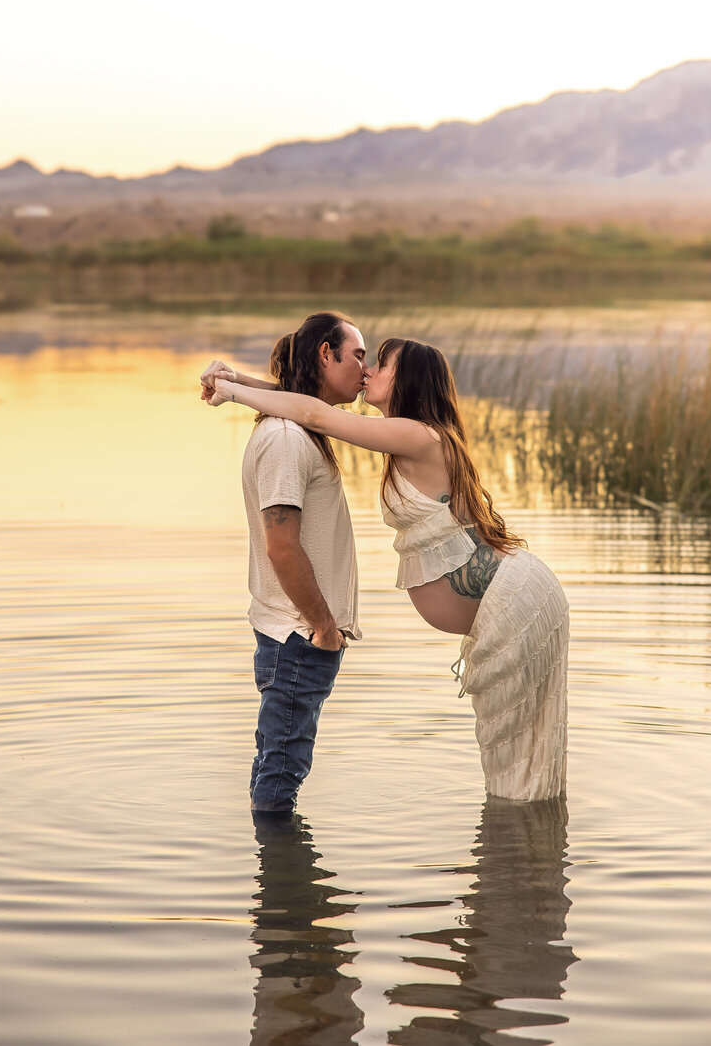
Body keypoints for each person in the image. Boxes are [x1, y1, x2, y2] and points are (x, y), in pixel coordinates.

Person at [203, 337, 568, 801]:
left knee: (516, 752)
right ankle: (523, 839)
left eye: (381, 364)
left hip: (518, 600)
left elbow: (315, 414)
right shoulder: (406, 435)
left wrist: (233, 393)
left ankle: (522, 837)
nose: (368, 371)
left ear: (407, 379)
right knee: (512, 750)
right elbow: (308, 404)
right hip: (511, 598)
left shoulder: (418, 435)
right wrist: (236, 378)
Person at [225, 311, 369, 816]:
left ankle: (273, 862)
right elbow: (281, 547)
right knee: (281, 775)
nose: (365, 370)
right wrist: (324, 627)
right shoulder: (287, 439)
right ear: (326, 354)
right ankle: (280, 867)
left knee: (277, 763)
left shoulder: (298, 428)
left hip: (295, 634)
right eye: (357, 356)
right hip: (299, 636)